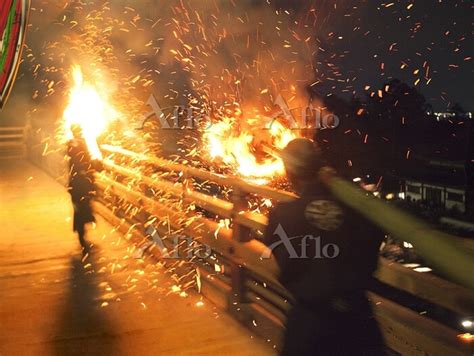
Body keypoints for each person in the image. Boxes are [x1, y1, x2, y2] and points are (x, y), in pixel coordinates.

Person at [263, 138, 386, 355]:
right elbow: (375, 236)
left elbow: (285, 263)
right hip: (358, 321)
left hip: (309, 324)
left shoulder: (282, 215)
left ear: (289, 173)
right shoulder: (358, 210)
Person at [67, 124, 98, 252]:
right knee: (81, 208)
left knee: (81, 208)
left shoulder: (75, 142)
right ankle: (82, 237)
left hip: (78, 183)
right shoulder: (74, 144)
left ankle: (82, 235)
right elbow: (81, 161)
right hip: (79, 183)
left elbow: (85, 160)